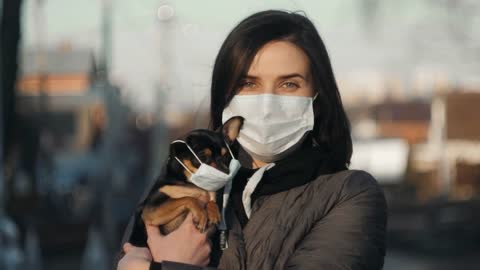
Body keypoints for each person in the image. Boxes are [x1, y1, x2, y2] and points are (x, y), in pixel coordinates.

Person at [116, 9, 387, 270]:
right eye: (248, 84)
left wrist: (171, 266)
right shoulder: (183, 176)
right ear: (225, 95)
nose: (267, 104)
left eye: (289, 84)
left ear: (317, 97)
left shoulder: (348, 194)